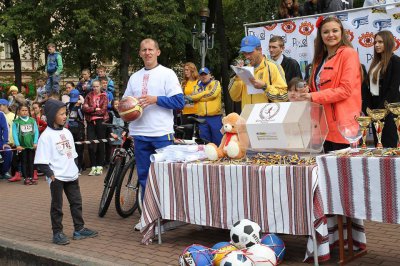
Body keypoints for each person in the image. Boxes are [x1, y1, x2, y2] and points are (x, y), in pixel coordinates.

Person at [123, 38, 184, 230]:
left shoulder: (168, 74)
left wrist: (155, 99)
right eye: (144, 50)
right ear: (140, 53)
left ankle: (168, 215)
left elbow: (179, 102)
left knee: (165, 177)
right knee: (144, 178)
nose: (147, 52)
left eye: (151, 49)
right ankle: (147, 217)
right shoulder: (134, 77)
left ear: (158, 52)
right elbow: (126, 101)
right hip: (139, 133)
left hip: (161, 133)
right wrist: (121, 107)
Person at [34, 99, 98, 245]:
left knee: (76, 202)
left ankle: (79, 229)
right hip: (57, 177)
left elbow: (73, 155)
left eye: (65, 113)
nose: (65, 116)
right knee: (57, 206)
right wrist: (51, 175)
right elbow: (41, 162)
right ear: (51, 116)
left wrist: (74, 168)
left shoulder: (67, 132)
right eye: (61, 114)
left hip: (72, 175)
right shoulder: (46, 136)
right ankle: (57, 233)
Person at [297, 16, 361, 152]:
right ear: (320, 35)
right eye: (326, 32)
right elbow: (320, 87)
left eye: (335, 31)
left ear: (341, 32)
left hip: (343, 126)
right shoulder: (319, 59)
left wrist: (313, 96)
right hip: (323, 126)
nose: (331, 35)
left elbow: (345, 90)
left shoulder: (349, 54)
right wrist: (308, 92)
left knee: (344, 171)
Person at [362, 30, 400, 148]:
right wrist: (367, 108)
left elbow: (393, 89)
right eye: (375, 42)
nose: (376, 45)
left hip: (389, 110)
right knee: (378, 144)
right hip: (375, 109)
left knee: (389, 145)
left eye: (380, 42)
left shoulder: (396, 61)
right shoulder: (375, 63)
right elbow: (368, 88)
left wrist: (381, 110)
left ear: (388, 43)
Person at [229, 35, 288, 110]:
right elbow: (235, 97)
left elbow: (284, 97)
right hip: (248, 117)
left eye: (250, 52)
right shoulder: (244, 70)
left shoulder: (273, 66)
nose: (247, 56)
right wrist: (238, 77)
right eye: (244, 53)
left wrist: (265, 87)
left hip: (266, 117)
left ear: (260, 50)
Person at [186, 67, 223, 145]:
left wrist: (200, 97)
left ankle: (219, 156)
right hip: (201, 118)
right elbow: (193, 97)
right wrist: (205, 92)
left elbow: (213, 94)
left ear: (209, 75)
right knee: (204, 142)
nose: (203, 76)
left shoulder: (216, 83)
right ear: (199, 76)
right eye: (201, 75)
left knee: (218, 140)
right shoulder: (196, 86)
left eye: (205, 74)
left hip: (215, 117)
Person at [82, 80, 108, 176]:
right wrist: (94, 109)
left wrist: (91, 110)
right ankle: (93, 166)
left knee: (101, 143)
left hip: (101, 121)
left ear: (100, 86)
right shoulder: (88, 95)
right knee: (90, 143)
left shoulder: (104, 96)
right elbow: (84, 108)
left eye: (97, 86)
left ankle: (100, 166)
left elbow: (103, 111)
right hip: (90, 122)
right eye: (93, 86)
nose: (95, 88)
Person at [12, 104, 39, 185]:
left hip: (31, 145)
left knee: (31, 161)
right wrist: (17, 145)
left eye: (26, 110)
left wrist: (35, 142)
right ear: (19, 111)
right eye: (22, 110)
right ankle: (26, 178)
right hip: (22, 146)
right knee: (24, 162)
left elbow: (36, 132)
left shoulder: (32, 120)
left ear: (29, 111)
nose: (24, 112)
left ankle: (31, 177)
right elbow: (15, 134)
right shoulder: (16, 122)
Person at [67, 89, 85, 173]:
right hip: (70, 128)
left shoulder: (81, 106)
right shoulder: (68, 105)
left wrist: (78, 107)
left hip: (79, 128)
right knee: (71, 149)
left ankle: (79, 167)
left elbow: (81, 117)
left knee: (79, 149)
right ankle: (72, 166)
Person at [0, 99, 13, 180]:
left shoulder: (1, 114)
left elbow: (5, 128)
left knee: (8, 151)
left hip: (0, 141)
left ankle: (4, 172)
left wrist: (5, 142)